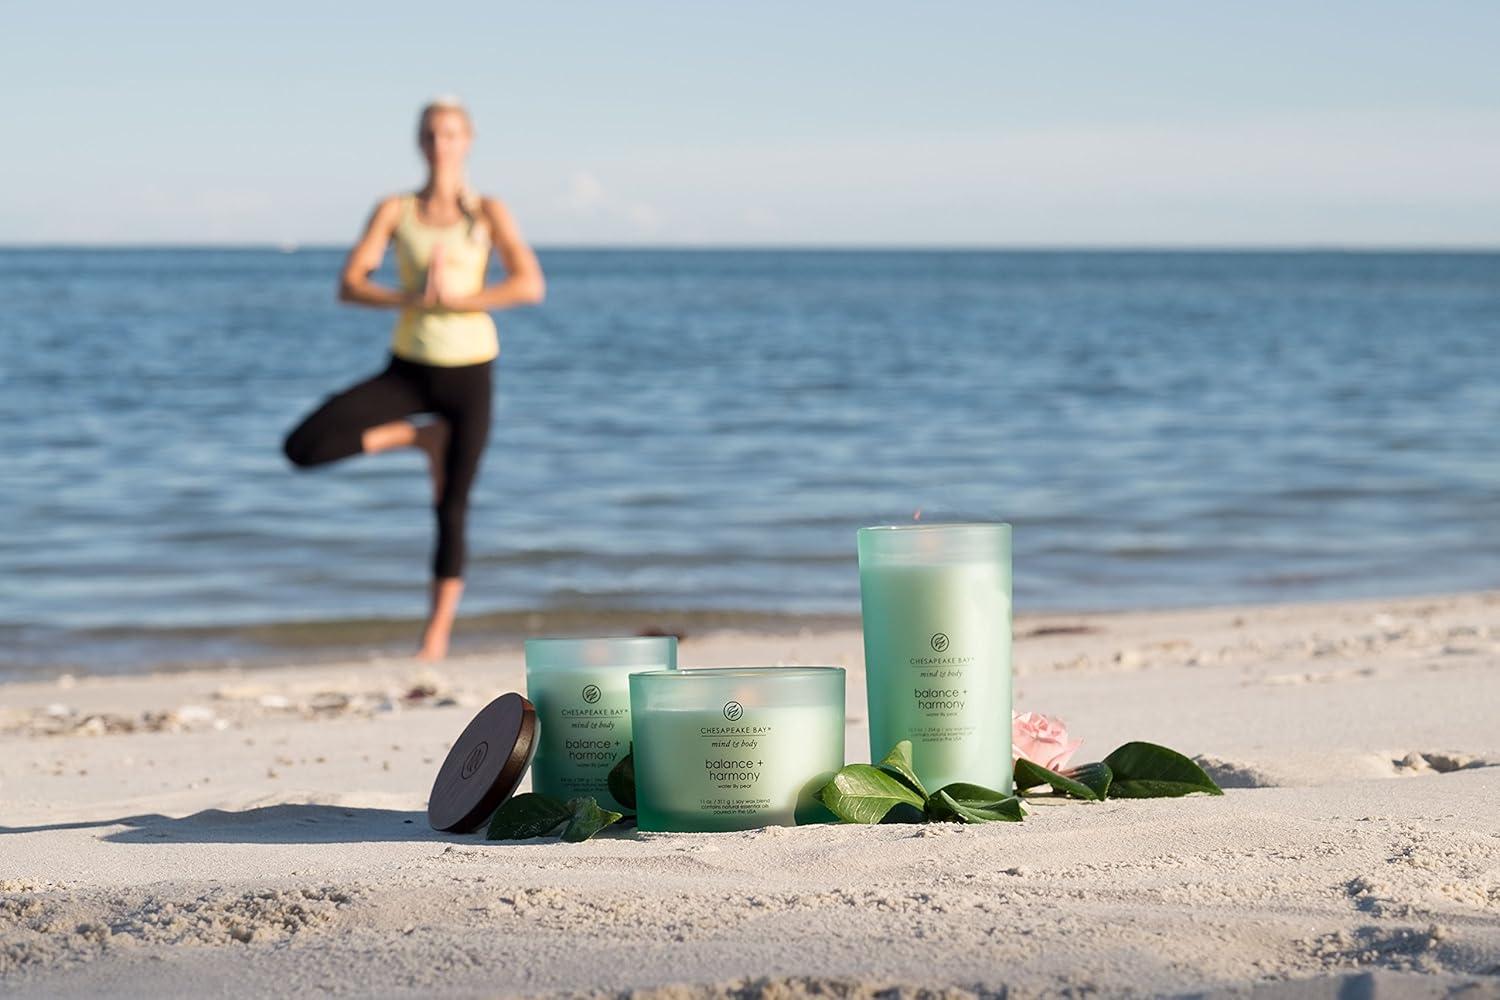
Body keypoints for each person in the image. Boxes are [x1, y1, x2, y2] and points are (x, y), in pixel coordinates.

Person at [282, 97, 545, 660]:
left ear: (467, 140)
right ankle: (419, 437)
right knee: (304, 446)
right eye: (430, 134)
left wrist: (462, 299)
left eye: (450, 133)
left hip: (471, 372)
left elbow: (528, 284)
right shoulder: (394, 210)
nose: (440, 143)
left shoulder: (489, 212)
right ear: (419, 142)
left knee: (452, 507)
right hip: (409, 369)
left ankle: (435, 638)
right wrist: (410, 297)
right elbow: (350, 284)